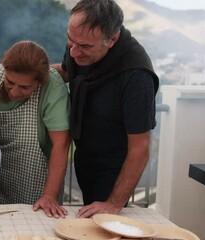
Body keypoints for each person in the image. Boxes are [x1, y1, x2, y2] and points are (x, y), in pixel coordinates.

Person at [51, 0, 159, 218]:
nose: (74, 52)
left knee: (104, 224)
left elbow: (140, 148)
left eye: (85, 47)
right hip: (85, 157)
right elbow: (66, 71)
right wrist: (26, 72)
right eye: (71, 41)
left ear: (113, 39)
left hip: (114, 168)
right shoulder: (78, 45)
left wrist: (113, 203)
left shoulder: (136, 76)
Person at [0, 41, 71, 218]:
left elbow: (61, 146)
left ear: (40, 81)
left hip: (37, 181)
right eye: (10, 82)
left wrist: (49, 196)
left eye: (24, 87)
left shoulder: (52, 87)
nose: (14, 92)